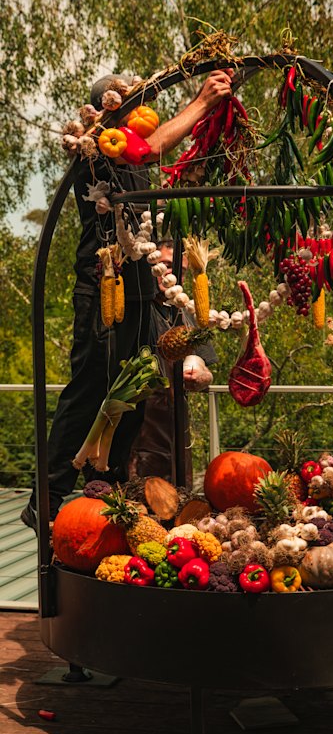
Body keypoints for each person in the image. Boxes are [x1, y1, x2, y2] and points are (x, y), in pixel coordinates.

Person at [21, 69, 233, 532]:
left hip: (141, 297)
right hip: (104, 292)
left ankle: (114, 491)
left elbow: (161, 152)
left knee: (135, 393)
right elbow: (152, 145)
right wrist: (200, 103)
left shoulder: (136, 156)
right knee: (90, 390)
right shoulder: (100, 146)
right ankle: (49, 497)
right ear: (113, 111)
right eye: (137, 105)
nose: (145, 113)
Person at [127, 239, 218, 483]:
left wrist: (202, 376)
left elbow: (203, 364)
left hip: (177, 423)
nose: (172, 273)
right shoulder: (139, 309)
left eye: (181, 269)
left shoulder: (186, 311)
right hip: (139, 424)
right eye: (165, 265)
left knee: (179, 491)